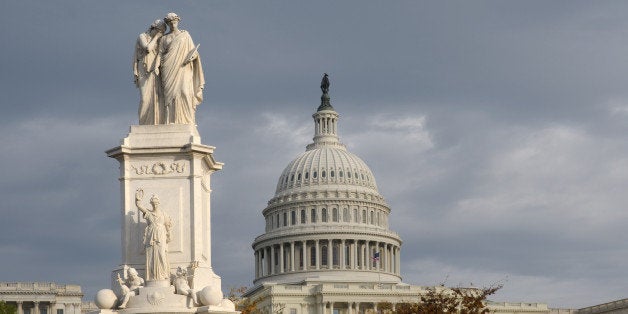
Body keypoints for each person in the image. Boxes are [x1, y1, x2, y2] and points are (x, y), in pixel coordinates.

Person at [159, 12, 204, 125]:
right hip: (168, 68)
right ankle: (169, 120)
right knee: (170, 96)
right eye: (170, 22)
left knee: (185, 91)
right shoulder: (164, 38)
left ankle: (188, 120)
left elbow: (193, 51)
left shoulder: (185, 35)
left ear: (178, 21)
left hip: (184, 67)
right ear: (168, 24)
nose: (172, 24)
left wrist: (192, 56)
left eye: (174, 21)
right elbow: (160, 54)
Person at [133, 20, 166, 125]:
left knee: (157, 98)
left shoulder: (159, 40)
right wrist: (156, 37)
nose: (161, 34)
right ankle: (143, 123)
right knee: (145, 99)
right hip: (144, 69)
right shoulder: (142, 36)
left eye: (162, 32)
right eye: (160, 31)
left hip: (155, 71)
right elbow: (147, 48)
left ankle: (156, 122)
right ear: (154, 28)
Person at [135, 189, 172, 281]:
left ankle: (163, 274)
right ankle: (152, 275)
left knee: (161, 254)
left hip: (161, 234)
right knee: (151, 255)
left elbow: (167, 226)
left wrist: (169, 235)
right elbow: (139, 206)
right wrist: (138, 199)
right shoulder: (148, 213)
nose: (155, 205)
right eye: (153, 203)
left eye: (156, 203)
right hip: (151, 234)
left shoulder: (164, 214)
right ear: (151, 204)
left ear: (159, 203)